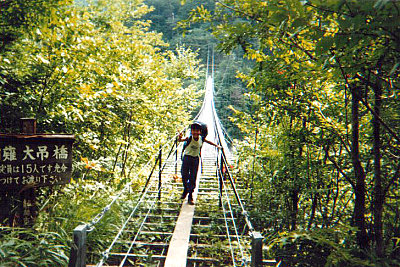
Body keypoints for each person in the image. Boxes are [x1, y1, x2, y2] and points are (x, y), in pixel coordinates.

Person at [178, 122, 221, 205]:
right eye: (193, 130)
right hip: (187, 158)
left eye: (197, 130)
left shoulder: (202, 138)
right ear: (191, 131)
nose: (195, 132)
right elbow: (180, 140)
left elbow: (209, 142)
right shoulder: (189, 138)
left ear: (200, 132)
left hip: (195, 159)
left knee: (193, 177)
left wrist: (217, 146)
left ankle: (190, 195)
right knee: (184, 175)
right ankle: (186, 189)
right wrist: (180, 136)